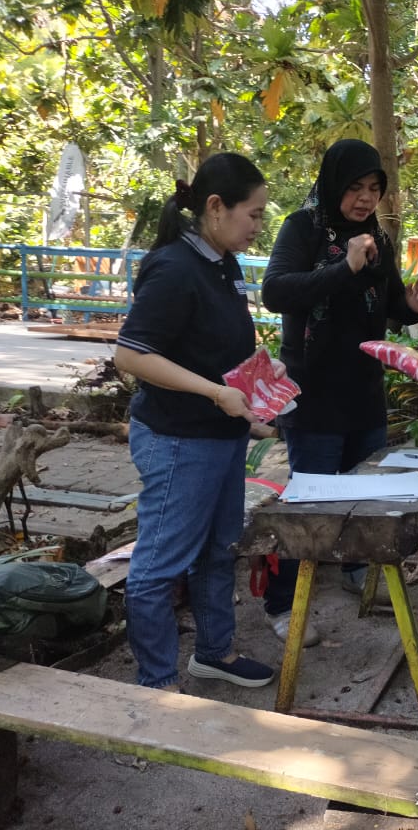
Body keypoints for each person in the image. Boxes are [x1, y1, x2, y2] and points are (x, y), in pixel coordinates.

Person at [260, 139, 418, 644]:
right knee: (308, 504)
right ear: (335, 184)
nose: (365, 198)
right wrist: (345, 267)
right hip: (314, 392)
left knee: (365, 492)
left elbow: (387, 306)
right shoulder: (304, 228)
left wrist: (414, 305)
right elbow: (277, 292)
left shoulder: (373, 236)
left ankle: (356, 573)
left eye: (374, 188)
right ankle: (282, 605)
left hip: (363, 391)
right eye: (356, 188)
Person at [114, 152, 275, 692]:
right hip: (178, 440)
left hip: (221, 436)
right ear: (215, 207)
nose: (258, 226)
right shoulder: (174, 268)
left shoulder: (221, 262)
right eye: (252, 214)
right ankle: (155, 683)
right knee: (160, 564)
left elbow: (212, 345)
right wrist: (214, 393)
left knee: (219, 548)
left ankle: (213, 652)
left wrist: (260, 384)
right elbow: (132, 356)